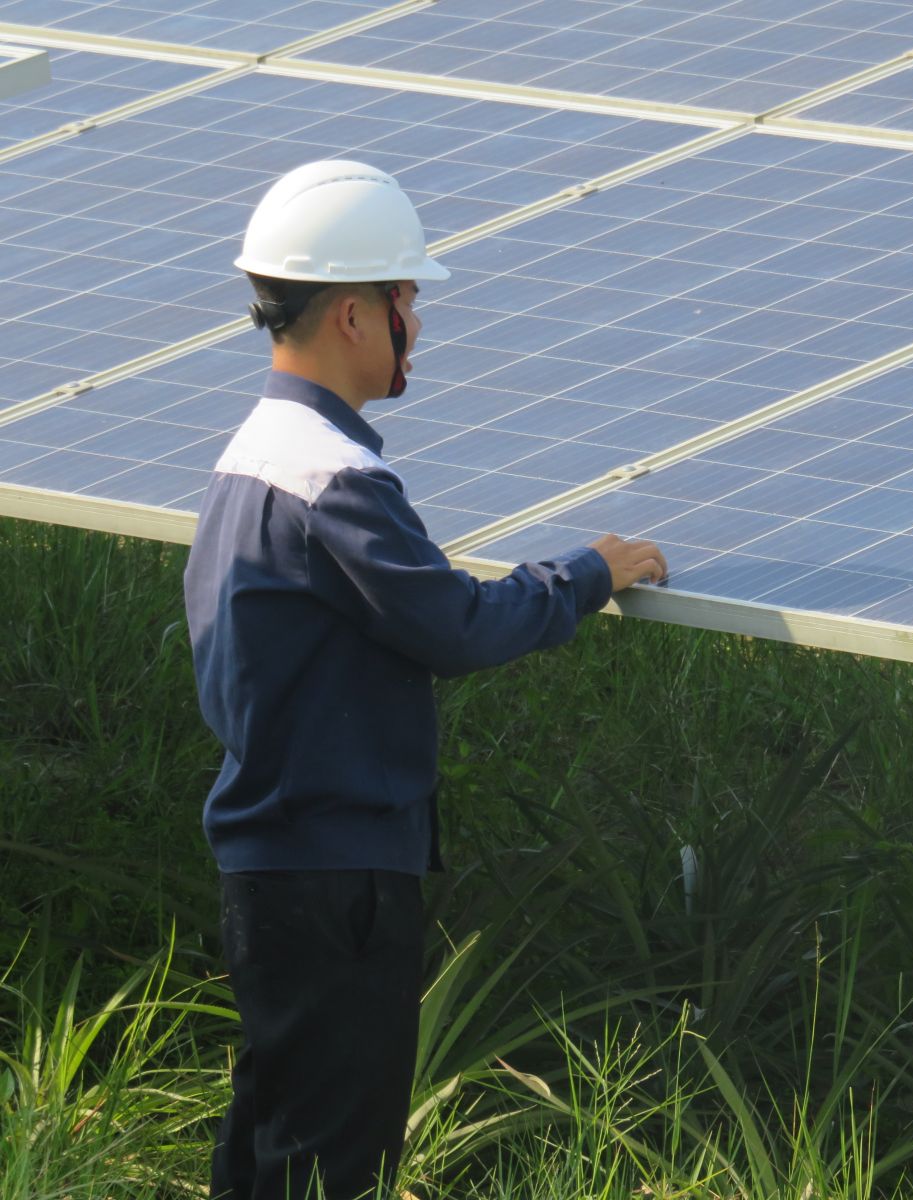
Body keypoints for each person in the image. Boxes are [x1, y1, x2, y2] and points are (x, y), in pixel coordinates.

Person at [183, 159, 667, 1199]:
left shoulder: (246, 460)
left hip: (270, 863)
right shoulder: (333, 479)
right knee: (334, 1160)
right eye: (407, 297)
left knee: (272, 1142)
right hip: (336, 875)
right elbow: (452, 622)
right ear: (354, 314)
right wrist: (587, 574)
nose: (417, 321)